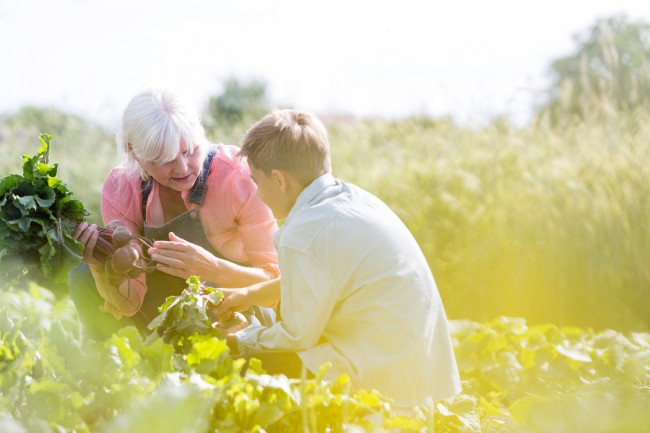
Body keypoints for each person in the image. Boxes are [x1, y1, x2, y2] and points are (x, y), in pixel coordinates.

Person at [213, 109, 461, 408]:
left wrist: (238, 340)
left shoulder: (304, 233)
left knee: (250, 373)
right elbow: (322, 279)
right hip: (421, 369)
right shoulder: (355, 200)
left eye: (256, 181)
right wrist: (250, 294)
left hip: (380, 379)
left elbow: (296, 336)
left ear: (279, 180)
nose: (257, 193)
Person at [70, 88, 279, 340]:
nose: (182, 168)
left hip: (238, 310)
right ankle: (109, 371)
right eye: (164, 160)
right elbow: (129, 304)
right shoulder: (122, 186)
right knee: (83, 275)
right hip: (167, 311)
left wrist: (212, 269)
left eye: (189, 151)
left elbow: (278, 286)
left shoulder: (238, 176)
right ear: (135, 153)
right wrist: (102, 268)